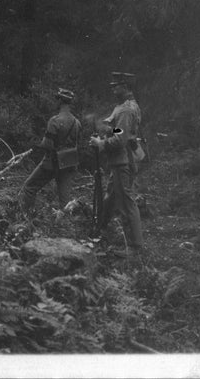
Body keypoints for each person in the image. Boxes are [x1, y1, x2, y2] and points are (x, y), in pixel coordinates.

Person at [89, 72, 144, 260]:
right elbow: (121, 130)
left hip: (123, 160)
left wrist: (101, 144)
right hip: (121, 160)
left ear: (126, 86)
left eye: (117, 85)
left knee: (127, 202)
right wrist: (108, 127)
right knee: (111, 197)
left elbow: (120, 140)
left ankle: (135, 247)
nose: (113, 88)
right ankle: (100, 230)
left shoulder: (126, 110)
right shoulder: (126, 107)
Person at [18, 88, 82, 214]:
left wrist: (38, 145)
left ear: (60, 101)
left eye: (56, 99)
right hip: (69, 162)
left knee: (29, 187)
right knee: (65, 200)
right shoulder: (77, 122)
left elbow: (47, 144)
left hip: (52, 163)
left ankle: (26, 219)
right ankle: (66, 224)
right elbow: (77, 144)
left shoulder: (55, 120)